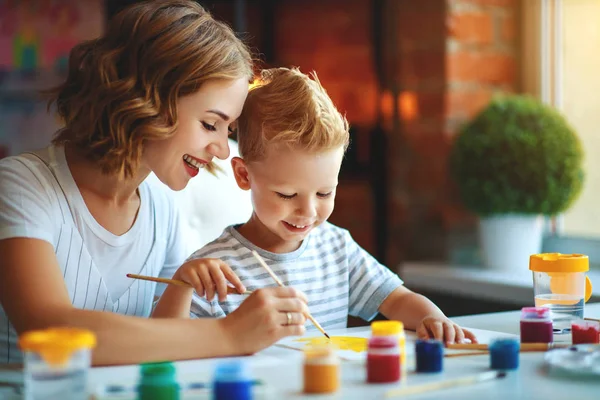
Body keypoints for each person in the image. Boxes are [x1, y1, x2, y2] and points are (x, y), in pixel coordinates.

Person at [0, 1, 309, 366]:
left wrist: (183, 286)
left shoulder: (162, 205)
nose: (223, 151)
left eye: (229, 130)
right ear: (145, 99)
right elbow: (46, 333)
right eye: (210, 124)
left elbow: (163, 347)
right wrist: (228, 333)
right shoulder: (20, 185)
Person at [153, 67, 478, 345]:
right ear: (243, 175)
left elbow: (397, 299)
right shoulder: (214, 269)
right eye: (287, 195)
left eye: (324, 194)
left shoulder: (337, 247)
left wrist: (434, 319)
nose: (307, 212)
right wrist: (182, 285)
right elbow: (167, 346)